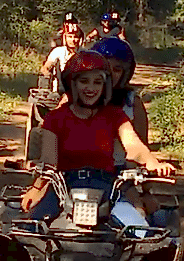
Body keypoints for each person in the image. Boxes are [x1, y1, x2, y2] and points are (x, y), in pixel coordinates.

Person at [21, 51, 174, 231]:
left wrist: (154, 163)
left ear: (105, 85)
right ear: (72, 83)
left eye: (97, 82)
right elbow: (49, 162)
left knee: (141, 232)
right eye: (84, 81)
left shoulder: (115, 116)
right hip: (62, 188)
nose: (90, 88)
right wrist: (36, 188)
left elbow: (135, 147)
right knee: (30, 231)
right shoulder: (55, 119)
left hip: (108, 187)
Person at [40, 20, 84, 91]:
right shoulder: (58, 51)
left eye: (75, 37)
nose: (73, 40)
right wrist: (46, 70)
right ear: (65, 38)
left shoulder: (84, 53)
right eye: (70, 37)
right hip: (59, 91)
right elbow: (48, 65)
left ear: (80, 39)